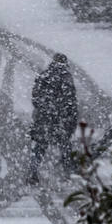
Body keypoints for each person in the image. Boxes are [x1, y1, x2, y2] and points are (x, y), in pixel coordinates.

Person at [26, 53, 79, 184]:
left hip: (43, 119)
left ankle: (33, 173)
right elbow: (70, 101)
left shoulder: (43, 75)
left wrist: (44, 110)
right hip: (59, 120)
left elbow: (35, 98)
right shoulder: (66, 77)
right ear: (65, 63)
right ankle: (68, 174)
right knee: (65, 147)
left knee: (39, 147)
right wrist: (69, 119)